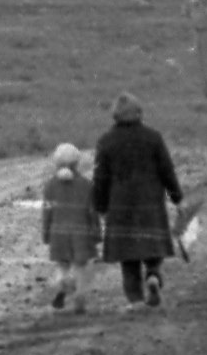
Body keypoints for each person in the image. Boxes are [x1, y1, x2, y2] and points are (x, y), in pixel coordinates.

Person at [90, 94, 182, 309]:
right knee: (152, 247)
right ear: (139, 113)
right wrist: (177, 197)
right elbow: (167, 171)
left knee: (128, 258)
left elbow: (100, 178)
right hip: (150, 203)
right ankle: (153, 275)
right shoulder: (154, 137)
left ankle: (136, 300)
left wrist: (100, 206)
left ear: (115, 116)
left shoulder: (106, 141)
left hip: (120, 205)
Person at [38, 141, 100, 311]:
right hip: (81, 233)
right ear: (77, 163)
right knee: (81, 267)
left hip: (58, 234)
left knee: (63, 266)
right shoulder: (86, 185)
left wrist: (46, 233)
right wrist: (96, 233)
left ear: (56, 163)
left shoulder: (50, 186)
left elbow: (47, 213)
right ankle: (79, 294)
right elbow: (92, 212)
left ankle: (64, 283)